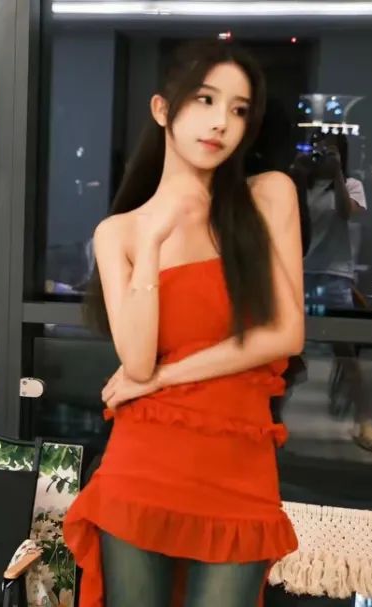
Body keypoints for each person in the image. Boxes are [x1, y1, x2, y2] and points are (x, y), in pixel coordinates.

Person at [64, 42, 302, 607]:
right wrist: (152, 240)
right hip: (142, 464)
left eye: (239, 110)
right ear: (162, 108)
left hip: (238, 463)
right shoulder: (119, 233)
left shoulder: (268, 195)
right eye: (205, 100)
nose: (221, 122)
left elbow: (285, 334)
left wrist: (164, 378)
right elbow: (137, 360)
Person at [289, 133, 372, 452]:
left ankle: (365, 419)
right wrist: (297, 175)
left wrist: (337, 175)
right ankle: (273, 415)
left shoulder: (352, 185)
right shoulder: (299, 185)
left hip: (334, 274)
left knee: (346, 353)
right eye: (317, 149)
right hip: (298, 274)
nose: (320, 156)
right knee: (286, 351)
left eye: (329, 151)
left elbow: (346, 213)